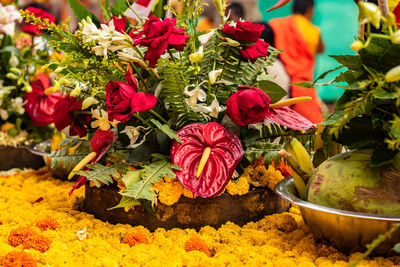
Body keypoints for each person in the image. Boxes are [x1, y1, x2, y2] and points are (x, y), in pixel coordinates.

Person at [269, 0, 325, 124]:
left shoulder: (277, 24)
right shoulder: (313, 31)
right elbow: (321, 49)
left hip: (279, 80)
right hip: (302, 85)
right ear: (310, 10)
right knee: (311, 125)